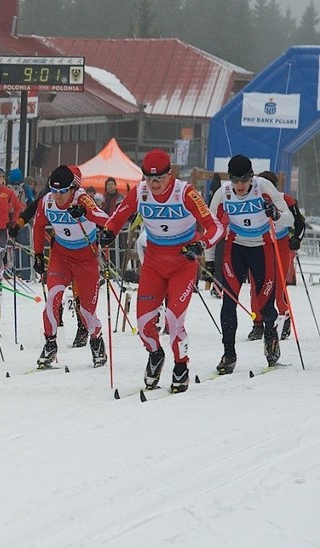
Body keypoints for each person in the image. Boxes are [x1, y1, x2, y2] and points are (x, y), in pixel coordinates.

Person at [101, 149, 223, 393]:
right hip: (154, 263)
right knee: (144, 323)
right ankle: (156, 354)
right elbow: (117, 217)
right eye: (149, 178)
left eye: (159, 178)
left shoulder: (184, 192)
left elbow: (215, 227)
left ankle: (181, 366)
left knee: (173, 321)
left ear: (170, 174)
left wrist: (200, 245)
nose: (154, 184)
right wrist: (107, 232)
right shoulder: (140, 192)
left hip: (182, 262)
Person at [204, 156, 293, 374]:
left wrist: (275, 213)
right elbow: (211, 227)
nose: (240, 186)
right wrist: (209, 259)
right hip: (236, 248)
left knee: (265, 301)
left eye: (244, 180)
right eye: (236, 181)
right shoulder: (222, 194)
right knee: (229, 302)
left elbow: (288, 219)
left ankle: (271, 346)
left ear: (251, 177)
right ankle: (229, 354)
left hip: (262, 248)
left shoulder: (264, 187)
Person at [33, 165, 110, 368]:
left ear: (72, 189)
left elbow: (105, 219)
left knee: (86, 311)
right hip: (61, 256)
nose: (58, 196)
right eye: (54, 191)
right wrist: (38, 255)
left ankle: (96, 339)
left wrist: (86, 212)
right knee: (52, 299)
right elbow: (38, 226)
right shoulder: (47, 201)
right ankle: (50, 343)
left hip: (86, 259)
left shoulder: (82, 199)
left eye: (63, 192)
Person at [244, 171, 305, 342]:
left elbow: (299, 222)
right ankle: (257, 324)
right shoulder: (250, 197)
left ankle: (284, 316)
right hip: (260, 244)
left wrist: (296, 240)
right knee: (256, 285)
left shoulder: (285, 199)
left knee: (278, 285)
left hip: (281, 245)